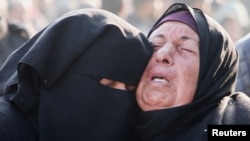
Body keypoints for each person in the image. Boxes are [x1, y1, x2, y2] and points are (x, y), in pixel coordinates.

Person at [0, 8, 153, 141]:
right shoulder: (7, 128)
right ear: (64, 74)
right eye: (108, 84)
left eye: (130, 89)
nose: (120, 97)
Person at [133, 3, 250, 141]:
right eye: (155, 44)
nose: (162, 54)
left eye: (186, 49)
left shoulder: (236, 125)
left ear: (210, 73)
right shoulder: (111, 122)